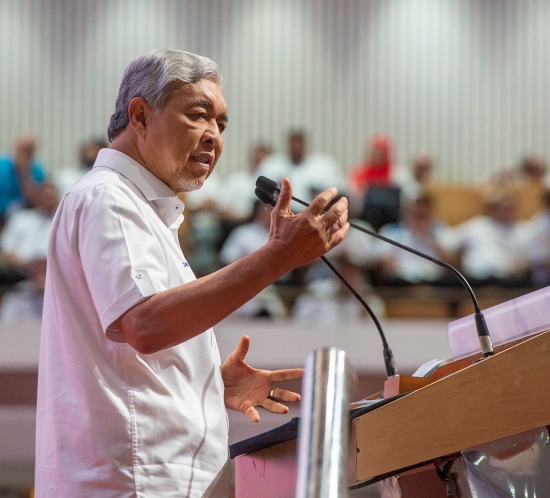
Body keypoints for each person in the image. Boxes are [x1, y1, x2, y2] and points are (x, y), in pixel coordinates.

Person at [35, 49, 349, 497]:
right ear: (140, 116)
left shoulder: (142, 210)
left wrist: (202, 380)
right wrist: (277, 258)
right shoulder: (109, 198)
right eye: (199, 116)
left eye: (221, 124)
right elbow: (143, 324)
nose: (214, 137)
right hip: (133, 483)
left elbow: (132, 345)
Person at [218, 201, 289, 319]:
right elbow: (227, 259)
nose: (271, 213)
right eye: (268, 209)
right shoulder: (243, 233)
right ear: (260, 211)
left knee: (279, 314)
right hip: (245, 283)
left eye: (275, 210)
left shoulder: (283, 235)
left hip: (274, 287)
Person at [445, 193, 529, 286]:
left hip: (505, 280)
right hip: (475, 278)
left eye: (507, 208)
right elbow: (449, 242)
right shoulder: (477, 225)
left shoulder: (521, 230)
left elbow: (529, 258)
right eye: (500, 208)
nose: (503, 211)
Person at [374, 194, 452, 285]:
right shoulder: (392, 230)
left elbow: (450, 260)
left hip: (434, 278)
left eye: (422, 211)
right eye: (415, 210)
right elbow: (381, 257)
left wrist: (428, 236)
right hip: (402, 277)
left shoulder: (439, 230)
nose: (418, 212)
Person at [0, 182, 57, 285]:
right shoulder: (20, 218)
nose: (48, 199)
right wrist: (28, 266)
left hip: (54, 276)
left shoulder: (64, 221)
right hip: (21, 275)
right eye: (45, 196)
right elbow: (5, 250)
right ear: (38, 196)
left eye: (51, 196)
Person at [257, 129, 344, 200]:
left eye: (299, 145)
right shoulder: (273, 165)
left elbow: (338, 192)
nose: (296, 149)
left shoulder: (323, 165)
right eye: (293, 145)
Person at [0, 133, 48, 220]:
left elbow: (37, 202)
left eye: (28, 150)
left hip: (27, 216)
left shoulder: (38, 170)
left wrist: (25, 173)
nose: (23, 154)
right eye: (21, 149)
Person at [216, 142, 272, 223]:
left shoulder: (272, 185)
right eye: (257, 159)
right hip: (235, 223)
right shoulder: (235, 179)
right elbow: (221, 208)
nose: (259, 164)